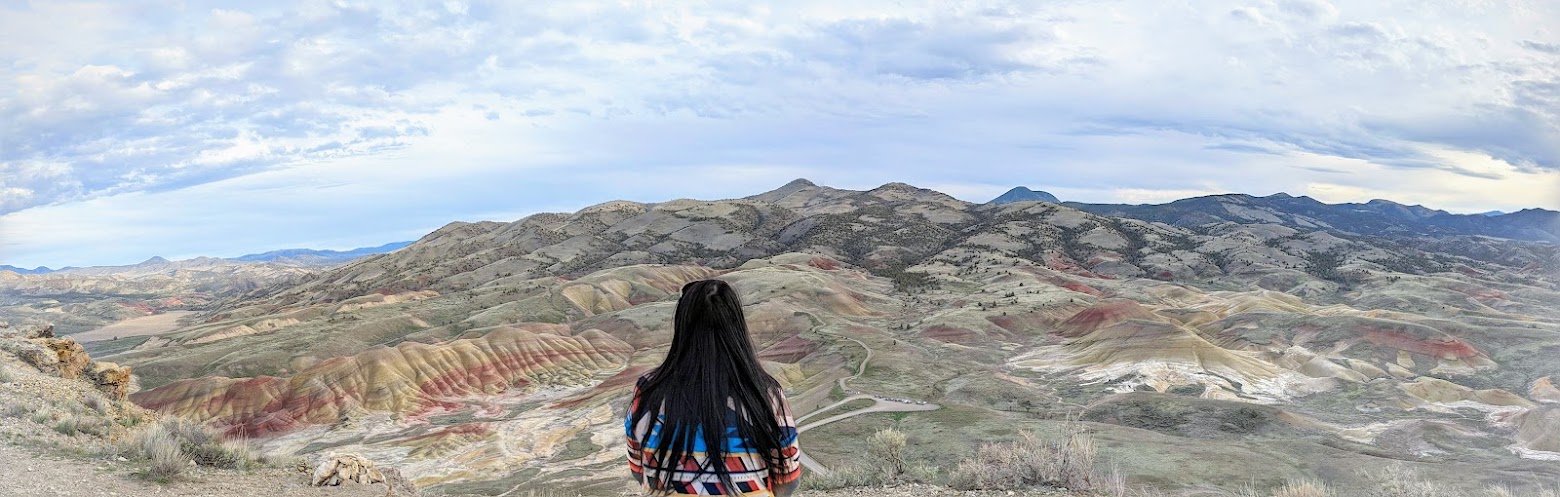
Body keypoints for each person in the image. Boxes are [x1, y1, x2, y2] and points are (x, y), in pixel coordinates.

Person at [625, 279, 803, 496]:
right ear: (736, 327)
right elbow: (787, 480)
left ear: (682, 326)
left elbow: (639, 470)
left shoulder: (648, 392)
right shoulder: (766, 394)